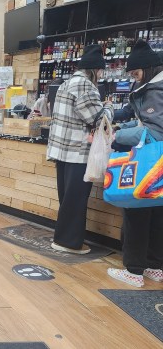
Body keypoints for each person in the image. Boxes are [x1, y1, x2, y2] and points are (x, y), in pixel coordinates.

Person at [47, 44, 113, 255]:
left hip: (62, 150)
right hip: (77, 151)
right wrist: (109, 107)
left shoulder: (67, 83)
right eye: (101, 71)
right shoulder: (85, 86)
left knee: (67, 198)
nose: (101, 75)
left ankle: (65, 238)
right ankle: (68, 242)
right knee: (75, 200)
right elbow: (98, 120)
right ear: (94, 69)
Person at [107, 39, 163, 287]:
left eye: (136, 73)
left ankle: (134, 271)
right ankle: (154, 266)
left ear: (148, 68)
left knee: (136, 211)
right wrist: (124, 127)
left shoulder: (155, 91)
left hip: (149, 162)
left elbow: (155, 132)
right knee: (156, 212)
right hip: (158, 166)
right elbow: (144, 125)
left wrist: (117, 136)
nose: (135, 78)